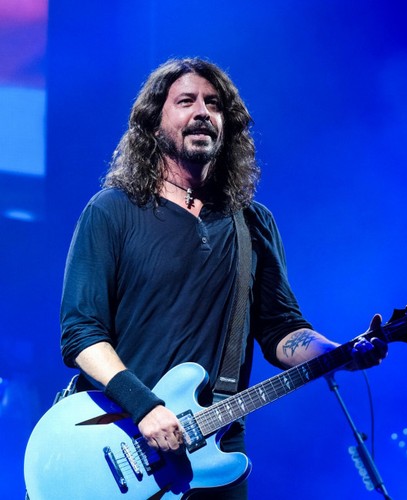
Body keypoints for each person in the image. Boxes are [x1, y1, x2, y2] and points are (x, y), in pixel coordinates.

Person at [60, 57, 387, 499]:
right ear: (154, 123)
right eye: (186, 101)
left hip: (217, 454)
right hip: (121, 438)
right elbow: (81, 333)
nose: (202, 112)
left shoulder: (252, 224)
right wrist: (145, 406)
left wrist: (337, 353)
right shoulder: (111, 211)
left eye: (213, 104)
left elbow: (281, 329)